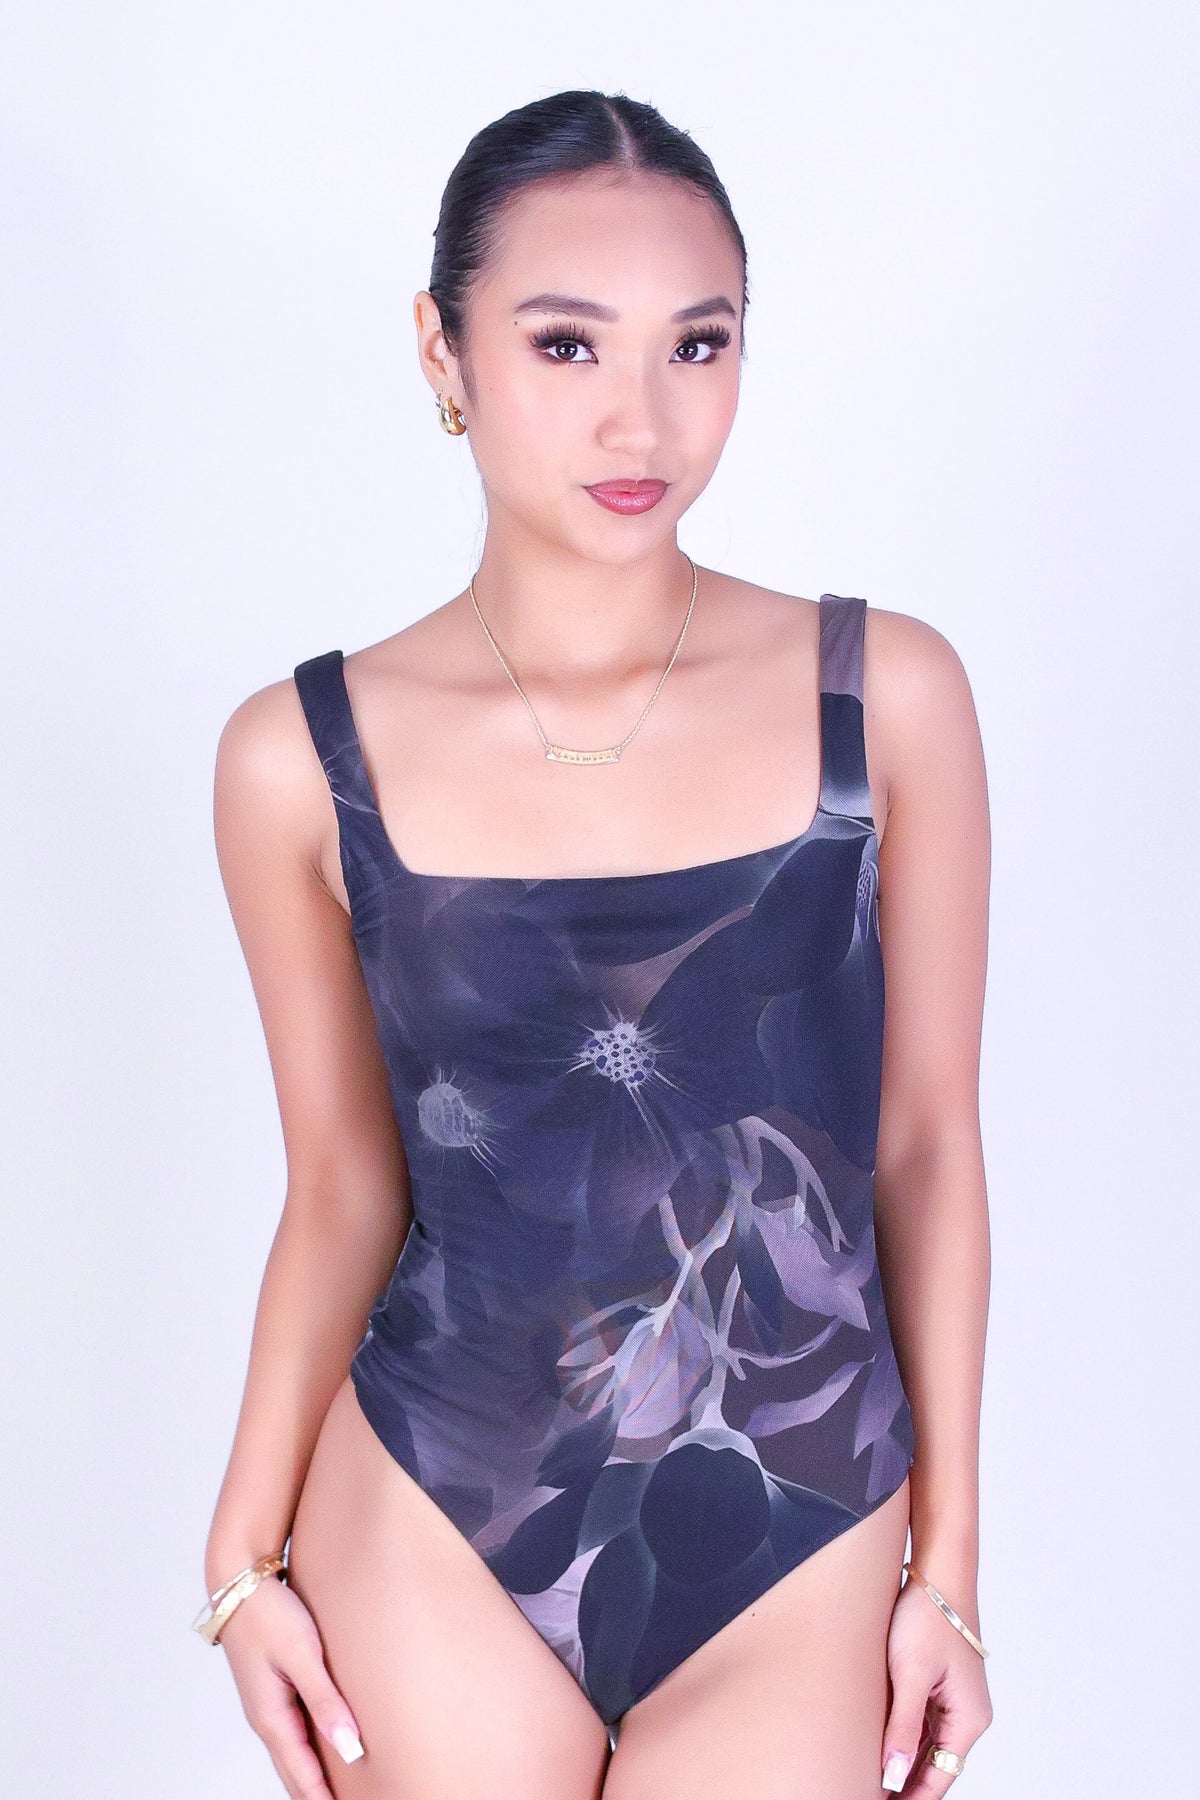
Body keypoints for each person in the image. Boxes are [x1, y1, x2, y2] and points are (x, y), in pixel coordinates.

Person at [194, 88, 993, 1800]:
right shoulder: (299, 759)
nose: (643, 417)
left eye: (698, 344)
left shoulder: (887, 699)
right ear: (443, 349)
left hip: (803, 1518)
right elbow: (342, 1181)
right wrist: (240, 1560)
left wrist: (952, 1574)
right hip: (436, 1505)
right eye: (566, 345)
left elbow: (926, 1145)